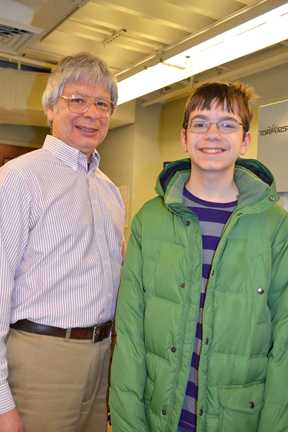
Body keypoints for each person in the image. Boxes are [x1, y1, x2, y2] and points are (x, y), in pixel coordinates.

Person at [109, 81, 288, 432]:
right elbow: (130, 333)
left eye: (227, 124)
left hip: (240, 418)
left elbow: (284, 339)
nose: (212, 134)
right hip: (161, 415)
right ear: (184, 137)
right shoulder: (150, 219)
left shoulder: (275, 225)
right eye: (201, 123)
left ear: (246, 140)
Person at [0, 51, 125, 432]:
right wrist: (2, 402)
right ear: (51, 108)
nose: (92, 112)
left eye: (102, 103)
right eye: (78, 99)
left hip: (103, 357)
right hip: (41, 360)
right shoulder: (20, 178)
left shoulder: (108, 190)